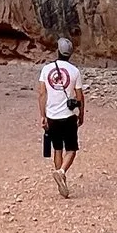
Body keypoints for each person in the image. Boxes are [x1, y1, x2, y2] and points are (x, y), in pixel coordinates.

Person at [39, 37, 85, 196]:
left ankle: (61, 176)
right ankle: (62, 172)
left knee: (57, 149)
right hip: (68, 116)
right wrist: (81, 114)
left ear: (57, 51)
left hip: (52, 116)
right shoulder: (74, 71)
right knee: (71, 149)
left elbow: (41, 94)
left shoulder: (46, 69)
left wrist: (43, 115)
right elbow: (80, 96)